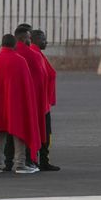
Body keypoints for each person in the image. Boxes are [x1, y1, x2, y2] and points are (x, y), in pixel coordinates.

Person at [0, 34, 41, 174]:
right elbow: (27, 86)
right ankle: (20, 164)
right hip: (16, 105)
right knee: (19, 133)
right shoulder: (20, 61)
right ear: (14, 45)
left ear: (2, 44)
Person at [13, 26, 48, 168]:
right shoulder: (31, 55)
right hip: (32, 101)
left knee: (9, 134)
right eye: (28, 37)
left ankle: (4, 163)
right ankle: (27, 162)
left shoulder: (19, 54)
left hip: (17, 101)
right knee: (28, 131)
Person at [30, 29, 60, 171]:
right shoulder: (35, 55)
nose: (46, 42)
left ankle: (41, 159)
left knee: (45, 132)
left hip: (43, 102)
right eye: (43, 39)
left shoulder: (38, 54)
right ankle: (41, 160)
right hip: (40, 103)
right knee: (44, 132)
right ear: (34, 40)